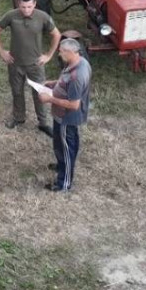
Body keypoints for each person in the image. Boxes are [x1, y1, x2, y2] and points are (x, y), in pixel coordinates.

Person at [0, 0, 61, 136]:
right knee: (17, 92)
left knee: (40, 93)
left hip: (35, 65)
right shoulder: (11, 15)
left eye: (29, 7)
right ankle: (19, 118)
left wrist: (48, 55)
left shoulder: (42, 17)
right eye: (23, 7)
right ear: (19, 4)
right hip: (15, 63)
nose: (26, 10)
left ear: (34, 4)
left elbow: (56, 35)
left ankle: (43, 123)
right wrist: (2, 51)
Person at [36, 38, 91, 193]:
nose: (59, 54)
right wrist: (54, 83)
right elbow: (64, 81)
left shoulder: (77, 76)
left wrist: (49, 99)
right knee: (59, 143)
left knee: (67, 148)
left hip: (67, 118)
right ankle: (61, 165)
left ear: (71, 52)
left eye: (61, 51)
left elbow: (74, 104)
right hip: (60, 115)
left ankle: (63, 184)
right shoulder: (76, 62)